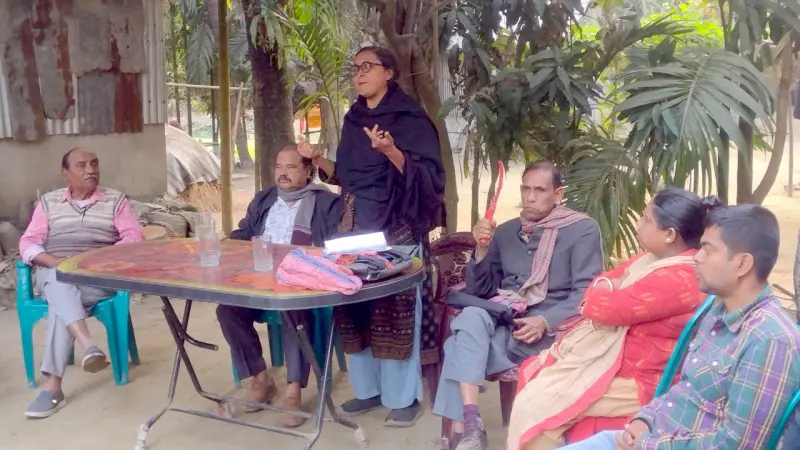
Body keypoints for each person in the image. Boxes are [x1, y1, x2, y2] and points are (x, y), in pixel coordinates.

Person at [558, 204, 800, 449]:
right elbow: (684, 388)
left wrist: (649, 445)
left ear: (742, 264)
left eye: (708, 249)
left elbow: (739, 444)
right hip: (652, 436)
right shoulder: (717, 311)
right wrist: (645, 419)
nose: (697, 257)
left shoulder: (769, 340)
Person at [296, 45, 446, 427]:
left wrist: (392, 150)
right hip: (353, 229)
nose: (359, 73)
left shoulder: (410, 119)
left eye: (368, 66)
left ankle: (404, 398)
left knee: (394, 312)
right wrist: (317, 159)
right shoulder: (354, 120)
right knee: (355, 309)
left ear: (389, 72)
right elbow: (345, 177)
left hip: (396, 229)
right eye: (356, 68)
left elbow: (430, 180)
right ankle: (368, 391)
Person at [507, 189, 712, 450]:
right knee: (536, 371)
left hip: (641, 377)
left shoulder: (678, 278)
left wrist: (607, 287)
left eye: (647, 219)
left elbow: (600, 307)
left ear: (669, 234)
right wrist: (606, 285)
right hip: (614, 359)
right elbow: (602, 282)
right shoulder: (654, 259)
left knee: (535, 406)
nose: (639, 224)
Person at [432, 160, 604, 450]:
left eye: (540, 190)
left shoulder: (582, 229)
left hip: (551, 332)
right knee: (471, 316)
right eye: (526, 189)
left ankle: (462, 433)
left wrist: (545, 321)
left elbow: (587, 293)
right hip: (504, 320)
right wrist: (481, 248)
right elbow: (481, 290)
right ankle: (471, 425)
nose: (530, 197)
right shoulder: (506, 232)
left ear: (558, 194)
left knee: (457, 345)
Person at [216, 144, 341, 427]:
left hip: (302, 281)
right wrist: (228, 245)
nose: (282, 173)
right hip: (260, 278)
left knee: (292, 310)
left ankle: (293, 391)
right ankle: (260, 377)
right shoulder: (265, 199)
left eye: (291, 167)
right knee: (227, 310)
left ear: (308, 172)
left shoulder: (325, 203)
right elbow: (245, 233)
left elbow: (334, 246)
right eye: (279, 167)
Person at [19, 147, 144, 418]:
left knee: (59, 302)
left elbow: (133, 239)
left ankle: (53, 389)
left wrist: (93, 262)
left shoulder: (116, 201)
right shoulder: (49, 202)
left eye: (94, 164)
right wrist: (55, 261)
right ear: (65, 173)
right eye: (82, 165)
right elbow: (28, 242)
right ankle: (88, 344)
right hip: (55, 269)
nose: (91, 170)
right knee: (60, 279)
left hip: (96, 276)